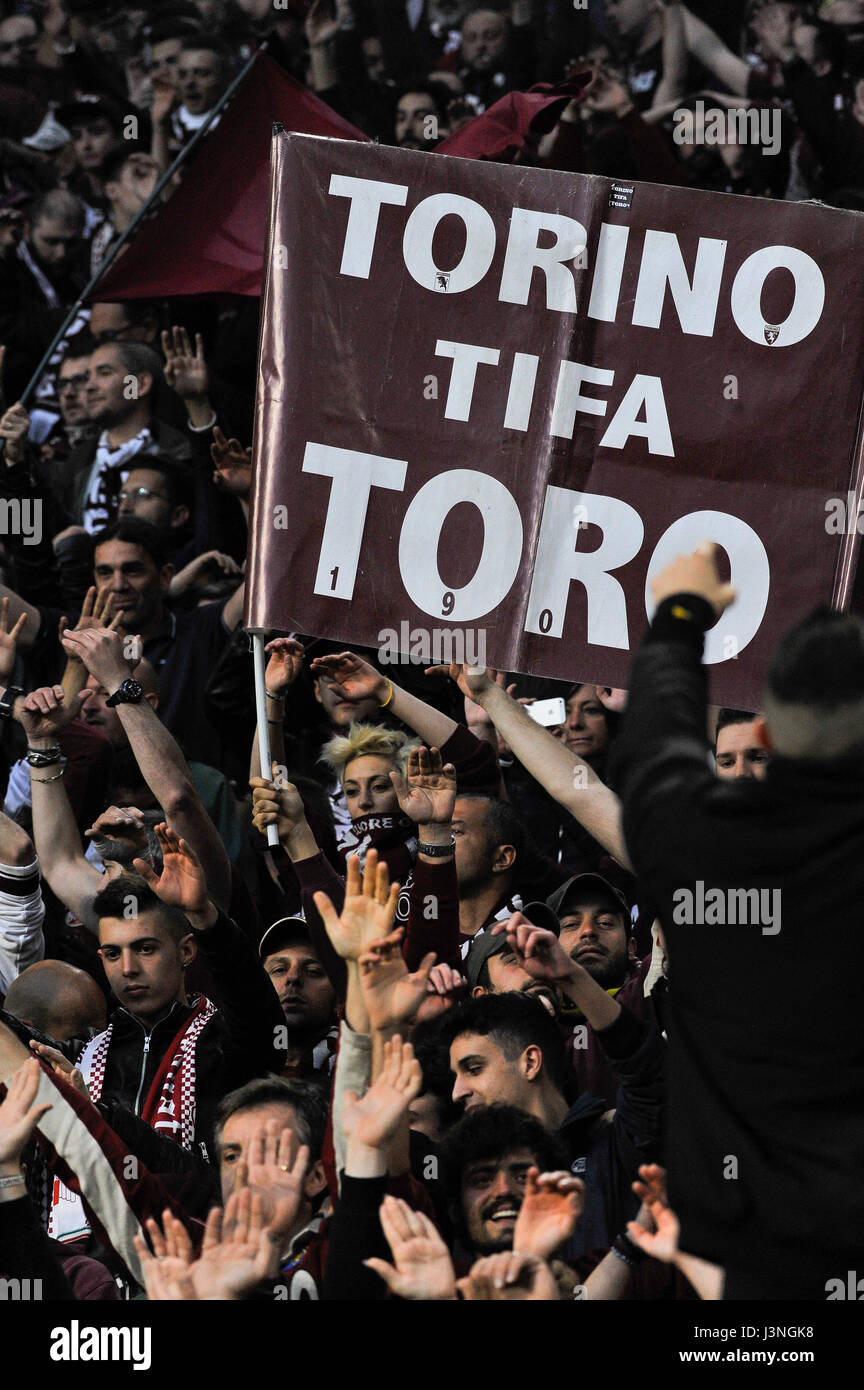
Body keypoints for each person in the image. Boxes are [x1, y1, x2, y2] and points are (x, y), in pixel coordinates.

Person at [611, 541, 864, 1299]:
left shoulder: (698, 844)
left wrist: (681, 615)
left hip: (752, 1272)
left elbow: (656, 743)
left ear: (762, 737)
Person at [258, 916, 338, 1078]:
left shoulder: (359, 1067)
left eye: (313, 971)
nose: (293, 977)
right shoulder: (229, 1065)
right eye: (279, 969)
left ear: (339, 997)